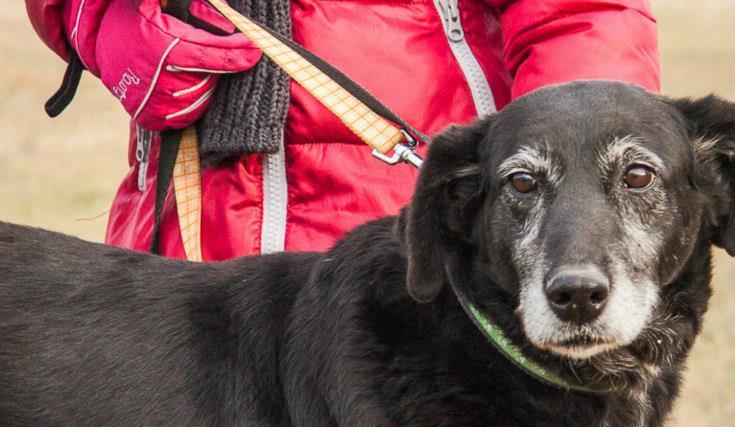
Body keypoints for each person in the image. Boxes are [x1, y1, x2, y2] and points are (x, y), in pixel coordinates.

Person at [26, 0, 660, 260]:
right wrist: (99, 22)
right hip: (184, 232)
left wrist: (575, 190)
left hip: (418, 230)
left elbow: (581, 15)